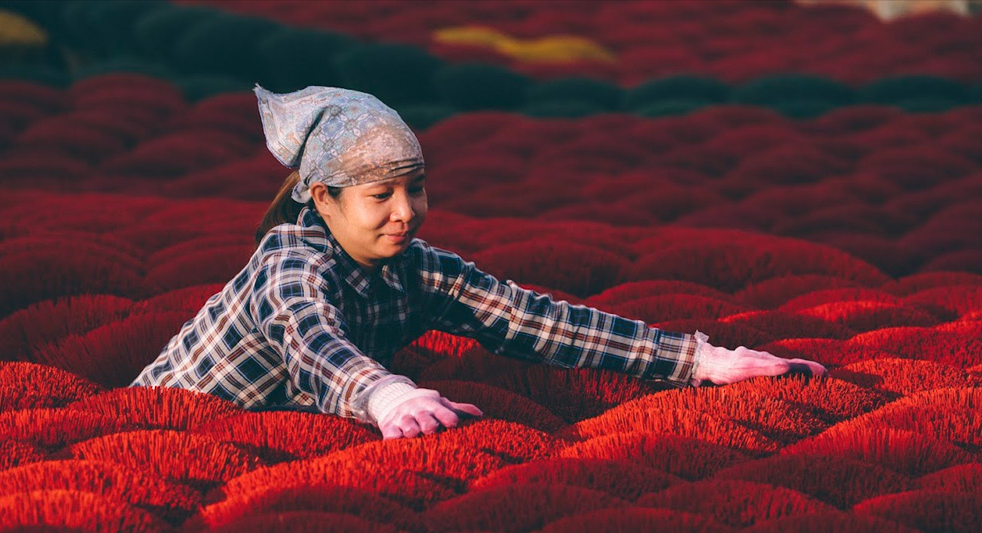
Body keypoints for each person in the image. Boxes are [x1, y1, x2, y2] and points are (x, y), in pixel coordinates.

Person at [131, 84, 827, 439]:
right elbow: (311, 340)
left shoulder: (417, 270)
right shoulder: (289, 263)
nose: (406, 212)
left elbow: (536, 322)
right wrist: (386, 395)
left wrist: (702, 361)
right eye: (381, 195)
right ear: (323, 199)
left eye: (415, 189)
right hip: (156, 428)